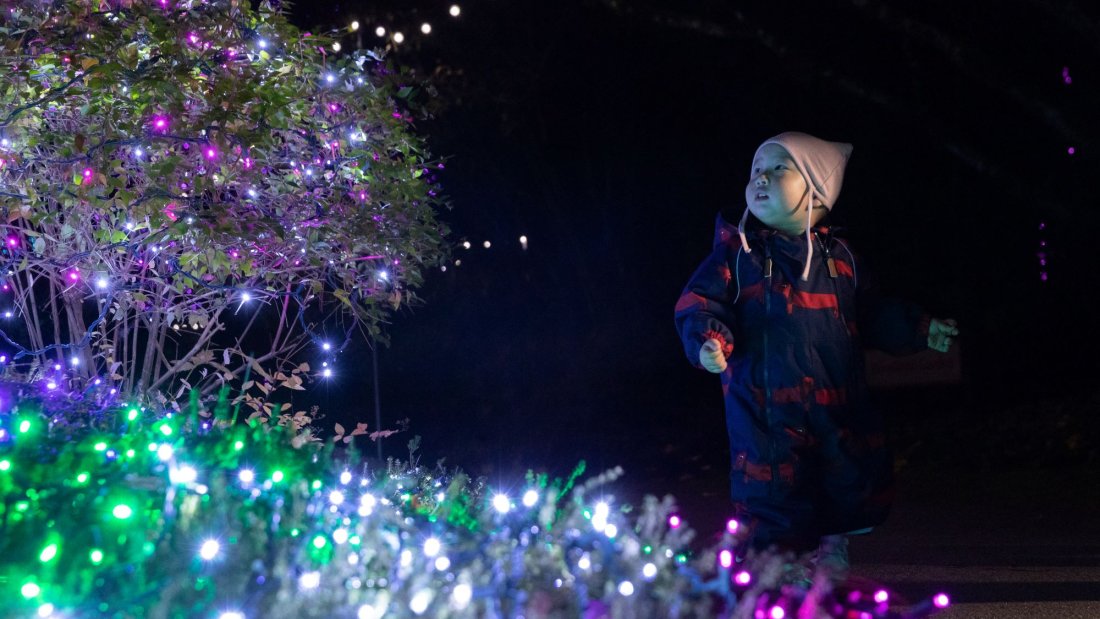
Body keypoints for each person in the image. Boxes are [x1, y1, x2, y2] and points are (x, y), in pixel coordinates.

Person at [673, 131, 958, 575]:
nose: (761, 178)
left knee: (839, 476)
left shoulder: (840, 258)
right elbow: (702, 302)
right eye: (756, 170)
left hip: (834, 399)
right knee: (774, 487)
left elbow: (872, 313)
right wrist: (710, 340)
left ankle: (829, 550)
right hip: (765, 407)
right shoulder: (738, 254)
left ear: (816, 189)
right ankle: (782, 564)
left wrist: (918, 329)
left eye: (778, 169)